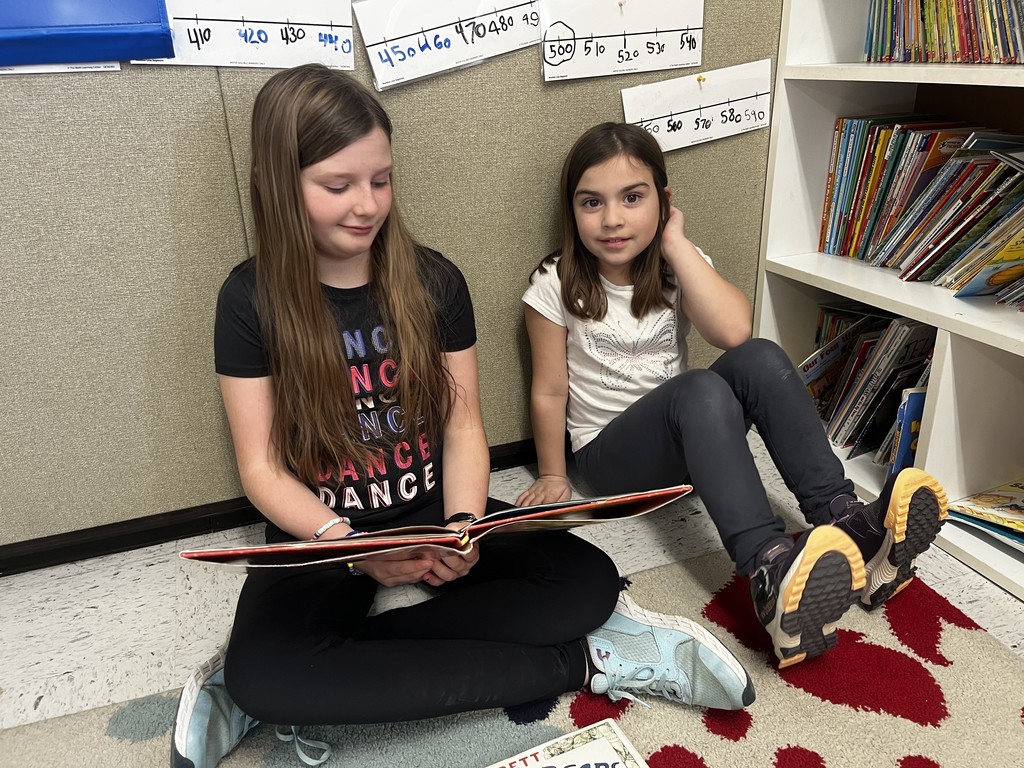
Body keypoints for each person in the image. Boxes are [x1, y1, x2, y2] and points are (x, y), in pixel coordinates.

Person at [171, 68, 755, 768]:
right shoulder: (248, 300)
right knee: (272, 676)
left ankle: (294, 682)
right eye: (338, 186)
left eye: (381, 181)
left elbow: (464, 427)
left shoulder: (435, 280)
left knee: (587, 582)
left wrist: (462, 523)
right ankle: (578, 664)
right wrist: (355, 547)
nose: (366, 206)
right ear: (276, 182)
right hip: (320, 539)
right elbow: (261, 469)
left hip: (434, 511)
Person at [517, 122, 948, 670]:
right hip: (611, 461)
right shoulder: (554, 283)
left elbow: (733, 334)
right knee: (697, 386)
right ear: (571, 211)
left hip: (692, 443)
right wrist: (553, 473)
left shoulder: (678, 261)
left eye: (633, 197)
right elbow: (550, 388)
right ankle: (769, 569)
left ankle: (851, 526)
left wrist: (674, 243)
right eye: (591, 203)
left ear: (664, 200)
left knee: (761, 356)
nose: (613, 219)